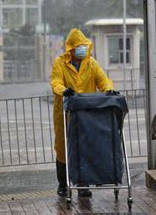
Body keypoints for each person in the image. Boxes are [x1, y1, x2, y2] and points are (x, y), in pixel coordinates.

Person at [50, 28, 118, 198]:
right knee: (63, 148)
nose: (82, 49)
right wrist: (64, 90)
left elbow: (103, 79)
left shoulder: (91, 63)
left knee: (85, 146)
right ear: (70, 49)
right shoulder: (60, 63)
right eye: (78, 47)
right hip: (65, 113)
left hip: (87, 114)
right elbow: (55, 82)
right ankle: (63, 184)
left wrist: (109, 89)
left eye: (84, 46)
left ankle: (83, 184)